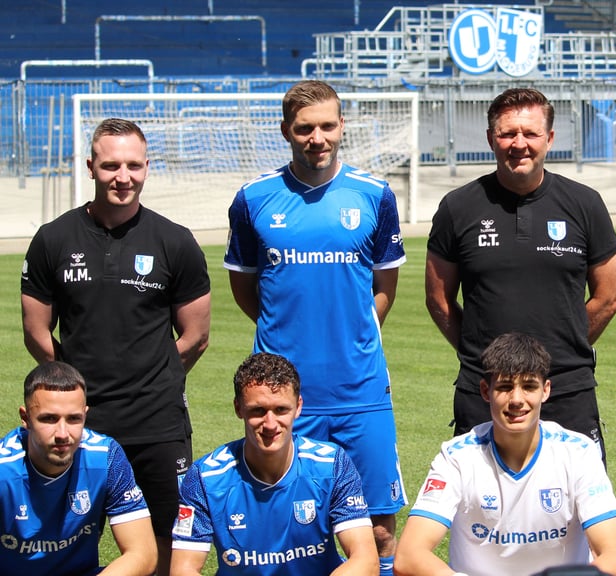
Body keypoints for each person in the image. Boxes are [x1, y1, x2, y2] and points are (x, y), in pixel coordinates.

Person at [224, 79, 406, 575]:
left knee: (379, 527)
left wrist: (356, 334)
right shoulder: (254, 198)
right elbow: (248, 291)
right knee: (288, 520)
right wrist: (284, 331)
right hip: (283, 394)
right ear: (287, 130)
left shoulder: (374, 194)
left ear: (341, 126)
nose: (317, 138)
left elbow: (384, 284)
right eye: (305, 128)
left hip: (359, 388)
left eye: (327, 126)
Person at [20, 117, 211, 575]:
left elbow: (196, 335)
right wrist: (72, 392)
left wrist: (156, 376)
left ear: (147, 167)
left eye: (132, 165)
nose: (122, 177)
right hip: (82, 424)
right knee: (58, 532)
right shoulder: (53, 238)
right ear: (90, 167)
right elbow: (36, 331)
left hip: (157, 423)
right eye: (110, 166)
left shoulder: (175, 241)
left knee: (166, 538)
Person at [425, 88, 616, 455]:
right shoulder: (457, 207)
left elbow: (609, 297)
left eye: (530, 134)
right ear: (490, 139)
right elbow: (438, 299)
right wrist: (485, 358)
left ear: (549, 138)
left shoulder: (585, 204)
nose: (519, 144)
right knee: (478, 509)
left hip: (567, 389)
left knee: (579, 511)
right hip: (484, 390)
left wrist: (562, 349)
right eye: (507, 133)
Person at [394, 333, 616, 576]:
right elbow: (408, 557)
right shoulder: (457, 457)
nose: (517, 399)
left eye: (529, 386)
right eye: (505, 387)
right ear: (486, 391)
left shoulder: (578, 453)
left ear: (545, 390)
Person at [170, 352, 378, 576]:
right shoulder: (205, 477)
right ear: (238, 408)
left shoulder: (332, 464)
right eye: (258, 411)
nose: (270, 424)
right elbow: (183, 569)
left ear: (298, 407)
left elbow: (365, 560)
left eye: (281, 410)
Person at [0, 361, 156, 575]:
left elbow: (142, 554)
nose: (63, 433)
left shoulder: (106, 457)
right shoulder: (4, 468)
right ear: (26, 418)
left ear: (85, 414)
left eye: (74, 419)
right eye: (49, 419)